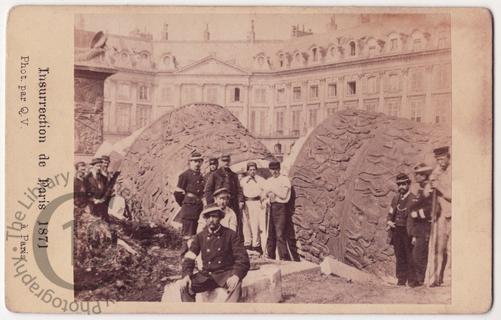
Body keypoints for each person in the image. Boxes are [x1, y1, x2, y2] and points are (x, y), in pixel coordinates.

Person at [179, 205, 250, 302]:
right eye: (208, 217)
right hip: (205, 276)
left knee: (236, 285)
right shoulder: (200, 236)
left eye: (214, 216)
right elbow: (189, 257)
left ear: (220, 218)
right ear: (205, 219)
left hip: (224, 274)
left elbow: (242, 258)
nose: (211, 220)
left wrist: (236, 275)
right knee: (185, 287)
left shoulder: (231, 235)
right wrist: (186, 275)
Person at [426, 146, 452, 287]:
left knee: (452, 250)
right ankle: (433, 279)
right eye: (438, 160)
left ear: (448, 157)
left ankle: (448, 280)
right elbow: (427, 193)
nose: (440, 162)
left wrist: (439, 186)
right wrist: (430, 187)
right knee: (438, 248)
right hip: (440, 215)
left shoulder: (454, 172)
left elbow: (453, 195)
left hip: (453, 215)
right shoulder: (436, 172)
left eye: (442, 159)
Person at [204, 154, 244, 239]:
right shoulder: (215, 174)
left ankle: (233, 241)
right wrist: (212, 203)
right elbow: (208, 190)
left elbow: (239, 189)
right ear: (221, 162)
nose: (226, 163)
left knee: (232, 222)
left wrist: (240, 200)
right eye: (224, 161)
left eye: (227, 161)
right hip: (219, 203)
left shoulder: (233, 175)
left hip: (232, 204)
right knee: (219, 221)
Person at [387, 173, 417, 286]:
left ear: (408, 184)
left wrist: (414, 235)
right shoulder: (396, 198)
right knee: (399, 255)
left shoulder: (414, 199)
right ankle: (401, 279)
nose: (401, 187)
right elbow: (390, 212)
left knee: (410, 255)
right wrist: (389, 221)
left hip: (408, 231)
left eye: (403, 184)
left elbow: (416, 220)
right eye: (399, 185)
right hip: (397, 231)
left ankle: (412, 280)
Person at [409, 163, 434, 287]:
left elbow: (432, 209)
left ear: (424, 176)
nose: (416, 177)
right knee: (416, 254)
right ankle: (418, 279)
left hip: (425, 228)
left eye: (418, 174)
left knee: (419, 255)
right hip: (418, 229)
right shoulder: (421, 189)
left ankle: (421, 279)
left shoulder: (429, 189)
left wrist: (416, 214)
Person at [263, 160, 292, 261]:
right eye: (272, 169)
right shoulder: (268, 180)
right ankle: (270, 257)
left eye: (276, 169)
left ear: (279, 169)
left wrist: (272, 190)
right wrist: (267, 199)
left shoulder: (284, 180)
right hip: (270, 207)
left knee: (280, 234)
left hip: (281, 208)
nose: (274, 172)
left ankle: (284, 258)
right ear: (270, 170)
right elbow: (264, 195)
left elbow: (284, 195)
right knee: (270, 234)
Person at [174, 152, 205, 237]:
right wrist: (185, 203)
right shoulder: (184, 175)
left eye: (199, 161)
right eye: (195, 161)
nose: (197, 164)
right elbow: (177, 193)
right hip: (189, 209)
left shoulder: (202, 176)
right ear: (190, 162)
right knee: (187, 235)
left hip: (199, 208)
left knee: (197, 234)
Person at [240, 161, 267, 254]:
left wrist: (263, 200)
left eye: (254, 169)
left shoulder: (261, 180)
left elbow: (265, 191)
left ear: (256, 170)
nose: (252, 171)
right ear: (247, 171)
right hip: (246, 203)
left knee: (255, 224)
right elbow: (240, 192)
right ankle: (247, 244)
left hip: (257, 203)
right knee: (246, 224)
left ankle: (256, 245)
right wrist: (241, 202)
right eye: (250, 170)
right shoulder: (243, 181)